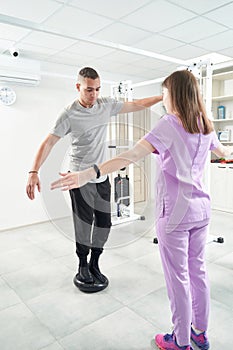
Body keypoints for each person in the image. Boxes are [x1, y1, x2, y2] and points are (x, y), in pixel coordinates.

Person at [51, 70, 233, 349]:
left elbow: (130, 155)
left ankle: (181, 341)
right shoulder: (204, 124)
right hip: (202, 210)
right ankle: (200, 332)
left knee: (179, 279)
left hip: (175, 214)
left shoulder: (170, 124)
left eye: (166, 94)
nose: (164, 100)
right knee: (198, 272)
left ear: (175, 94)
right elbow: (222, 152)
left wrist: (89, 173)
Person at [26, 66, 162, 292]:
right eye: (89, 90)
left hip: (101, 177)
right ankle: (82, 264)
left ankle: (95, 262)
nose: (94, 95)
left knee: (104, 224)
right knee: (83, 225)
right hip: (78, 179)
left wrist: (164, 96)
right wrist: (33, 171)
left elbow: (138, 104)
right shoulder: (69, 113)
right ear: (78, 87)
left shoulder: (105, 105)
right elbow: (48, 142)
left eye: (98, 89)